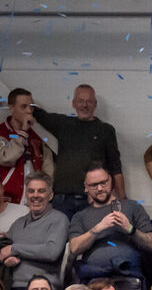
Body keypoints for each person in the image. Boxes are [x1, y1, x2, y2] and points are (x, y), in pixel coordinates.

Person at [30, 85, 125, 215]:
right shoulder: (63, 124)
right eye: (80, 101)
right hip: (61, 201)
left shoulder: (106, 130)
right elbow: (36, 112)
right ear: (74, 103)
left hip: (93, 200)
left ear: (95, 104)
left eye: (89, 101)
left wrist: (123, 201)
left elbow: (115, 167)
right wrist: (25, 104)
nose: (84, 105)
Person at [66, 164, 152, 290]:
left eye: (103, 182)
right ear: (86, 187)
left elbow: (151, 244)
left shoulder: (132, 206)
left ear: (111, 181)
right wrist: (97, 229)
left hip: (129, 277)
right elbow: (74, 247)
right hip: (94, 280)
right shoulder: (80, 216)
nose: (100, 188)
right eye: (94, 185)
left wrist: (130, 229)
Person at [0, 173, 65, 290]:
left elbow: (51, 252)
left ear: (50, 195)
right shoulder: (18, 224)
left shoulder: (58, 219)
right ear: (26, 195)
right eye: (31, 191)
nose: (35, 195)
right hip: (13, 288)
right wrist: (7, 259)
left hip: (42, 288)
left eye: (41, 191)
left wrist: (14, 249)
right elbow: (3, 252)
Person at [0, 89, 49, 207]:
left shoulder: (36, 134)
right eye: (23, 107)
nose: (29, 111)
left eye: (31, 106)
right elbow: (7, 158)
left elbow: (46, 166)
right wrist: (22, 133)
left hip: (33, 200)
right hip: (7, 199)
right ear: (12, 108)